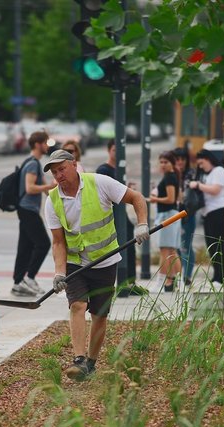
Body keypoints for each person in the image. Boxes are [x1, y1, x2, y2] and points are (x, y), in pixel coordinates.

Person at [44, 149, 151, 381]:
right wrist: (59, 273)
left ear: (74, 165)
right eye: (54, 172)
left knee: (99, 315)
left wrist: (142, 224)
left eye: (62, 169)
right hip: (75, 263)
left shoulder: (100, 183)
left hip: (105, 260)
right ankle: (79, 359)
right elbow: (58, 242)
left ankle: (91, 363)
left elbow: (137, 198)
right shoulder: (53, 200)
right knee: (77, 306)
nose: (59, 175)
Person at [95, 139, 142, 295]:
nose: (118, 153)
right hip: (112, 215)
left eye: (120, 150)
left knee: (129, 246)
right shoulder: (104, 170)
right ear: (109, 150)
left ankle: (130, 282)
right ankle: (122, 284)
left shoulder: (119, 169)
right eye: (115, 150)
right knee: (119, 248)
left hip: (122, 214)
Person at [11, 130, 55, 297]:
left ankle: (17, 283)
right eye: (45, 143)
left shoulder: (34, 163)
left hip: (27, 209)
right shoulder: (32, 164)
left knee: (25, 246)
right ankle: (29, 277)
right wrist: (48, 187)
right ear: (38, 144)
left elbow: (46, 190)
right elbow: (30, 188)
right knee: (43, 244)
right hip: (27, 209)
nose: (47, 146)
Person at [192, 148, 224, 290]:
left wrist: (198, 185)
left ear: (209, 159)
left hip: (217, 211)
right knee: (211, 245)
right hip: (207, 213)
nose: (201, 166)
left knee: (219, 245)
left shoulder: (218, 171)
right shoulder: (205, 174)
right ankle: (217, 274)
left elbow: (215, 190)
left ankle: (222, 276)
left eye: (202, 163)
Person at [149, 151, 181, 292]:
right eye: (161, 162)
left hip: (167, 216)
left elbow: (171, 199)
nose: (162, 165)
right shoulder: (173, 176)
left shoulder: (169, 178)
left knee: (165, 250)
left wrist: (155, 199)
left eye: (165, 162)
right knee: (172, 251)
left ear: (172, 163)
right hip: (171, 215)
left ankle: (161, 282)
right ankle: (178, 282)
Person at [173, 146, 200, 287]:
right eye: (177, 159)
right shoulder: (172, 173)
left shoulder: (191, 174)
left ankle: (187, 277)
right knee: (176, 246)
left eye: (182, 159)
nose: (180, 162)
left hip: (188, 213)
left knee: (186, 245)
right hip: (174, 213)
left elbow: (187, 195)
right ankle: (180, 275)